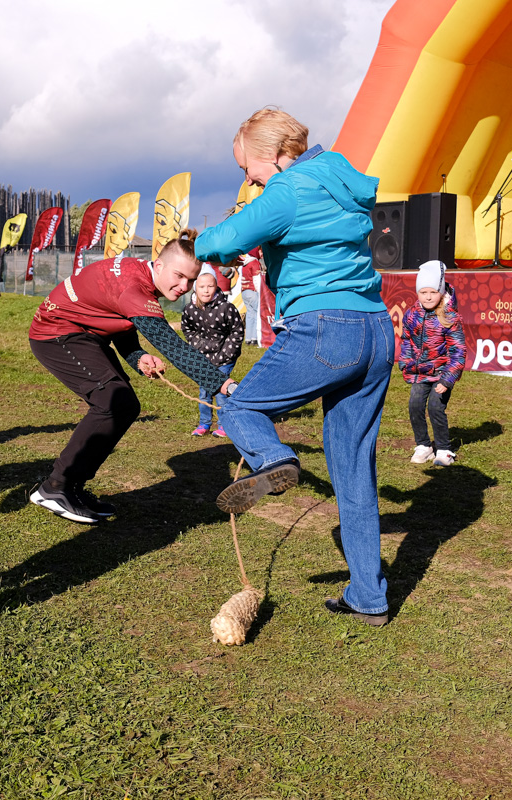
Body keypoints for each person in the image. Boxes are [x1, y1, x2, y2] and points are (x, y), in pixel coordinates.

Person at [195, 107, 395, 627]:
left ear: (272, 155)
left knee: (238, 406)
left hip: (327, 327)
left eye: (248, 169)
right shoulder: (339, 179)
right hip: (376, 330)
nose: (248, 180)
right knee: (354, 471)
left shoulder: (288, 189)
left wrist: (201, 241)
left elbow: (218, 242)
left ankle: (273, 461)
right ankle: (368, 597)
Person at [28, 230, 235, 524]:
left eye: (190, 279)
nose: (184, 286)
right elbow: (172, 347)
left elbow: (118, 322)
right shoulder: (134, 288)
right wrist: (224, 384)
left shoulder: (138, 275)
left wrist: (138, 357)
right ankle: (56, 488)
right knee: (112, 403)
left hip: (83, 335)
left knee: (124, 405)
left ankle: (72, 487)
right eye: (179, 276)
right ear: (159, 265)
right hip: (57, 333)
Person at [399, 260, 467, 467]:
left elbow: (458, 351)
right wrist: (406, 362)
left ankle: (444, 449)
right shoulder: (411, 315)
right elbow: (406, 341)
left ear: (441, 291)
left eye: (433, 292)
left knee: (436, 408)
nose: (428, 297)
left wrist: (447, 380)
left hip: (441, 374)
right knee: (415, 405)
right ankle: (423, 445)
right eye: (423, 292)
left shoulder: (450, 318)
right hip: (420, 372)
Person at [181, 265, 244, 437]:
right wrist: (198, 345)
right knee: (204, 392)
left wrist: (226, 354)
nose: (206, 290)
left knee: (221, 392)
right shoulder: (190, 309)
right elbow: (187, 329)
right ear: (195, 288)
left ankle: (225, 425)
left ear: (216, 286)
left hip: (224, 357)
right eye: (202, 286)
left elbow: (236, 331)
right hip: (203, 358)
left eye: (210, 286)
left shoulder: (226, 308)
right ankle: (204, 424)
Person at [239, 248, 263, 344]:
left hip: (244, 291)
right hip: (253, 290)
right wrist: (260, 291)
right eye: (261, 252)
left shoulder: (245, 263)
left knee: (250, 315)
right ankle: (255, 337)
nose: (262, 254)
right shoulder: (255, 263)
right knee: (257, 314)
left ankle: (248, 338)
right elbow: (256, 279)